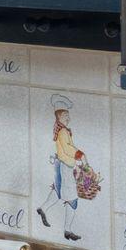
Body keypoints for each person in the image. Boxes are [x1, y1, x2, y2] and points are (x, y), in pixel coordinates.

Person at [36, 100, 89, 242]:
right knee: (72, 199)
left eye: (68, 115)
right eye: (65, 115)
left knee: (59, 191)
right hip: (66, 166)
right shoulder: (63, 131)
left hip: (63, 165)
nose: (68, 118)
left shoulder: (62, 130)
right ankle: (67, 230)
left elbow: (67, 147)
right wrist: (80, 155)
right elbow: (67, 148)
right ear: (59, 117)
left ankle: (43, 208)